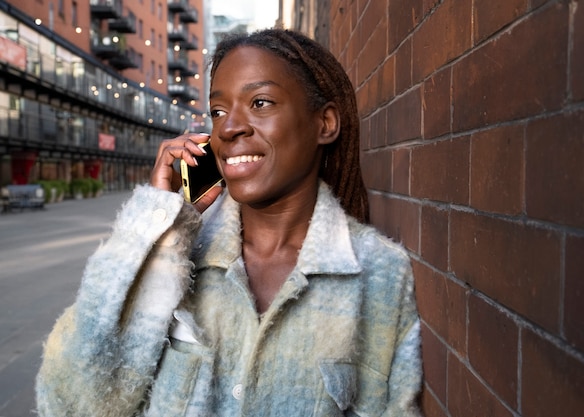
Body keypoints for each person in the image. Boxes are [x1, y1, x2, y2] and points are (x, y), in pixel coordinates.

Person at [36, 28, 423, 416]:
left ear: (324, 124)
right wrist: (155, 227)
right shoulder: (177, 258)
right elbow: (70, 402)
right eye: (218, 111)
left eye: (260, 102)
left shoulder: (380, 274)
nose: (228, 127)